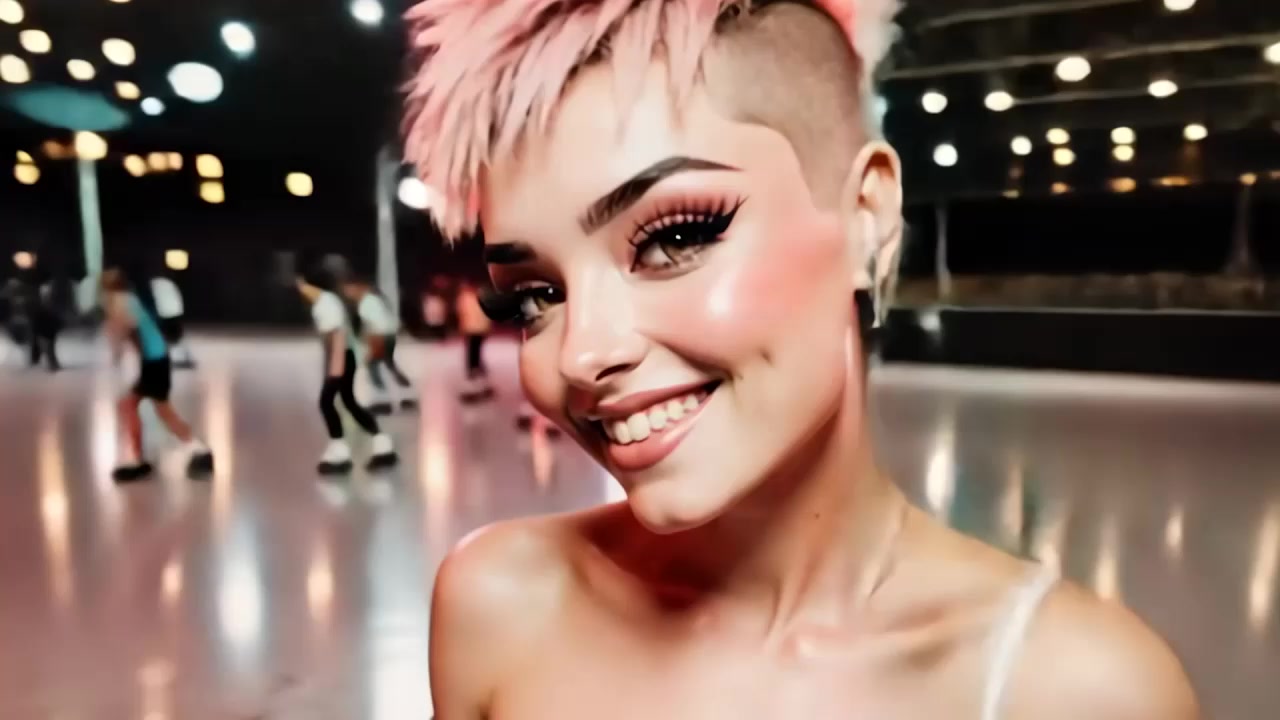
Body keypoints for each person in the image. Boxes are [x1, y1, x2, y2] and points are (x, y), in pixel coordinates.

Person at [403, 1, 1199, 719]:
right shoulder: (500, 609)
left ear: (866, 216)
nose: (582, 354)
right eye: (535, 296)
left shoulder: (1074, 691)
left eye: (673, 239)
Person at [100, 267, 214, 482]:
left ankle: (196, 450)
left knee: (156, 409)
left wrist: (117, 348)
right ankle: (143, 456)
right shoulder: (129, 299)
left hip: (154, 361)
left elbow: (126, 328)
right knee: (139, 406)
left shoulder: (119, 301)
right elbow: (135, 332)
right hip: (156, 359)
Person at [297, 270, 398, 475]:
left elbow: (337, 335)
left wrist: (335, 368)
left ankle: (339, 450)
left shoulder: (326, 303)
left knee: (326, 402)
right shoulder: (327, 301)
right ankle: (381, 443)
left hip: (342, 356)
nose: (301, 290)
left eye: (303, 286)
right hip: (345, 355)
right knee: (349, 402)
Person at [341, 275, 418, 414]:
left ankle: (383, 401)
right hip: (387, 335)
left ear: (358, 287)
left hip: (380, 336)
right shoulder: (372, 300)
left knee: (374, 367)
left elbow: (375, 325)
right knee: (388, 365)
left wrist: (370, 344)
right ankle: (407, 395)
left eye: (349, 290)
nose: (348, 294)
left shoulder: (368, 302)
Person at [455, 279, 494, 403]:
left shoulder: (467, 297)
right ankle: (475, 368)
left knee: (473, 350)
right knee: (474, 349)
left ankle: (475, 368)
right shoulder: (475, 297)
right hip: (475, 328)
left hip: (473, 328)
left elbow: (463, 313)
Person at [152, 271, 195, 369]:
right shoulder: (167, 284)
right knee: (174, 338)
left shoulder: (157, 285)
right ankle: (180, 356)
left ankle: (175, 356)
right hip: (172, 312)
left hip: (166, 313)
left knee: (169, 338)